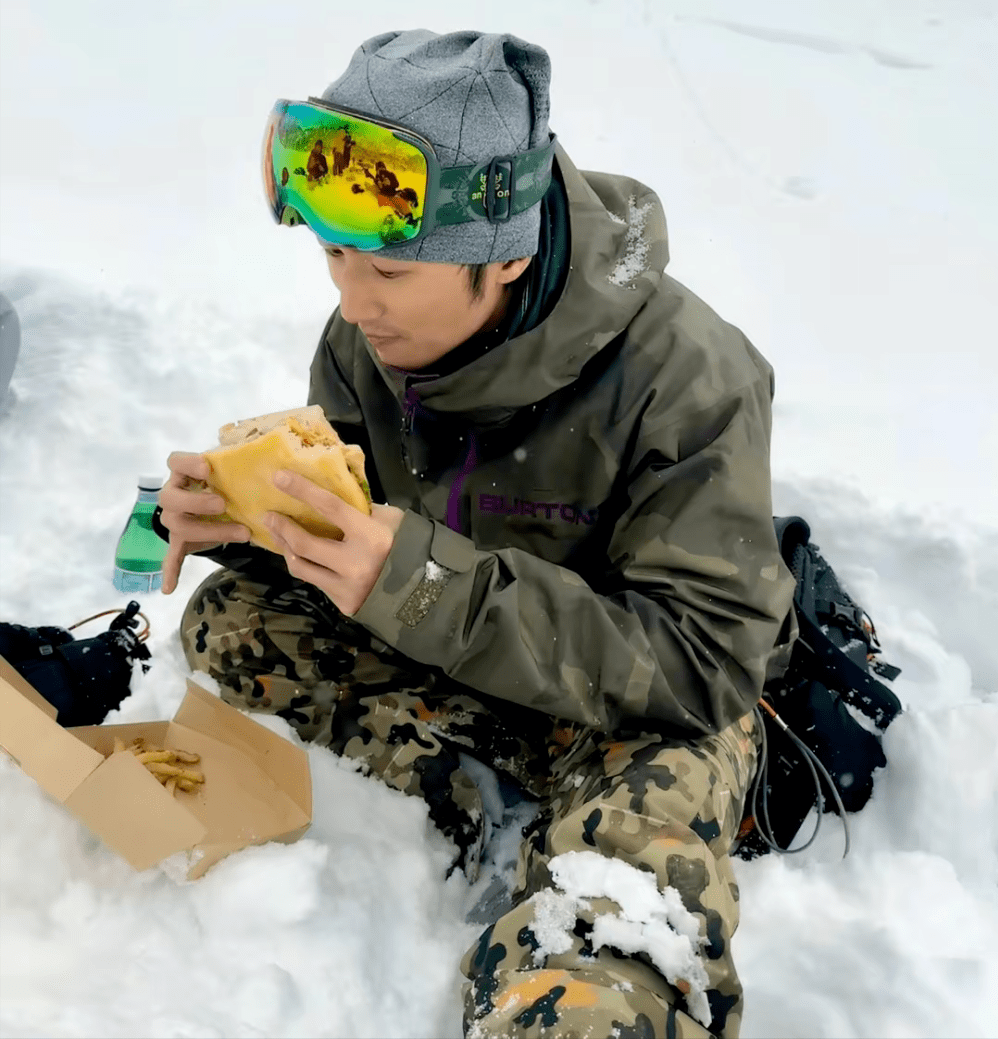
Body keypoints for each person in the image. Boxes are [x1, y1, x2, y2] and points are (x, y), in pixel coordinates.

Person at [156, 29, 796, 1039]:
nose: (351, 304)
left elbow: (702, 661)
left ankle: (572, 913)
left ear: (501, 251)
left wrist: (415, 583)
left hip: (635, 706)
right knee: (234, 624)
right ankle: (484, 800)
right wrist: (246, 520)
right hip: (469, 661)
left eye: (388, 273)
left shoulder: (691, 376)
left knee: (615, 932)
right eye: (332, 255)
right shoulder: (370, 340)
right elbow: (357, 506)